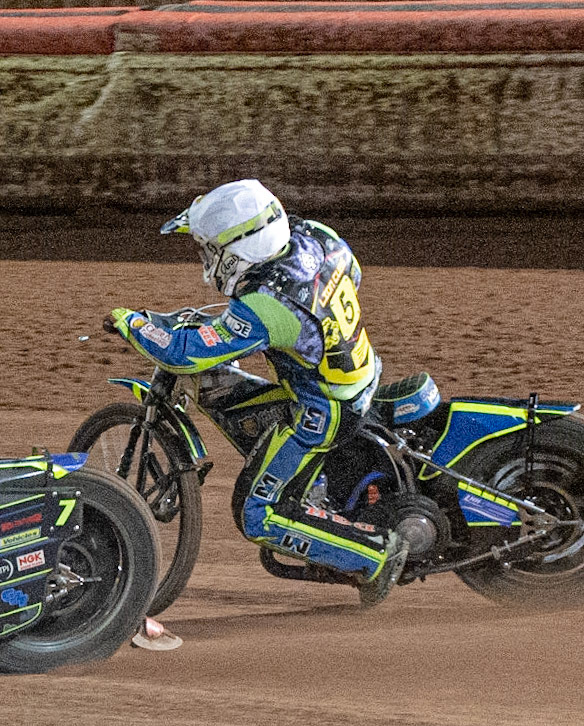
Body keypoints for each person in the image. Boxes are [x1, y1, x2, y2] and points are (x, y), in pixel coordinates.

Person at [107, 179, 408, 613]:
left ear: (237, 251)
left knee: (257, 512)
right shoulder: (317, 238)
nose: (206, 259)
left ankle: (374, 555)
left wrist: (131, 323)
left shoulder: (268, 308)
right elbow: (354, 273)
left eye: (209, 249)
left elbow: (184, 353)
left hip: (322, 411)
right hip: (361, 372)